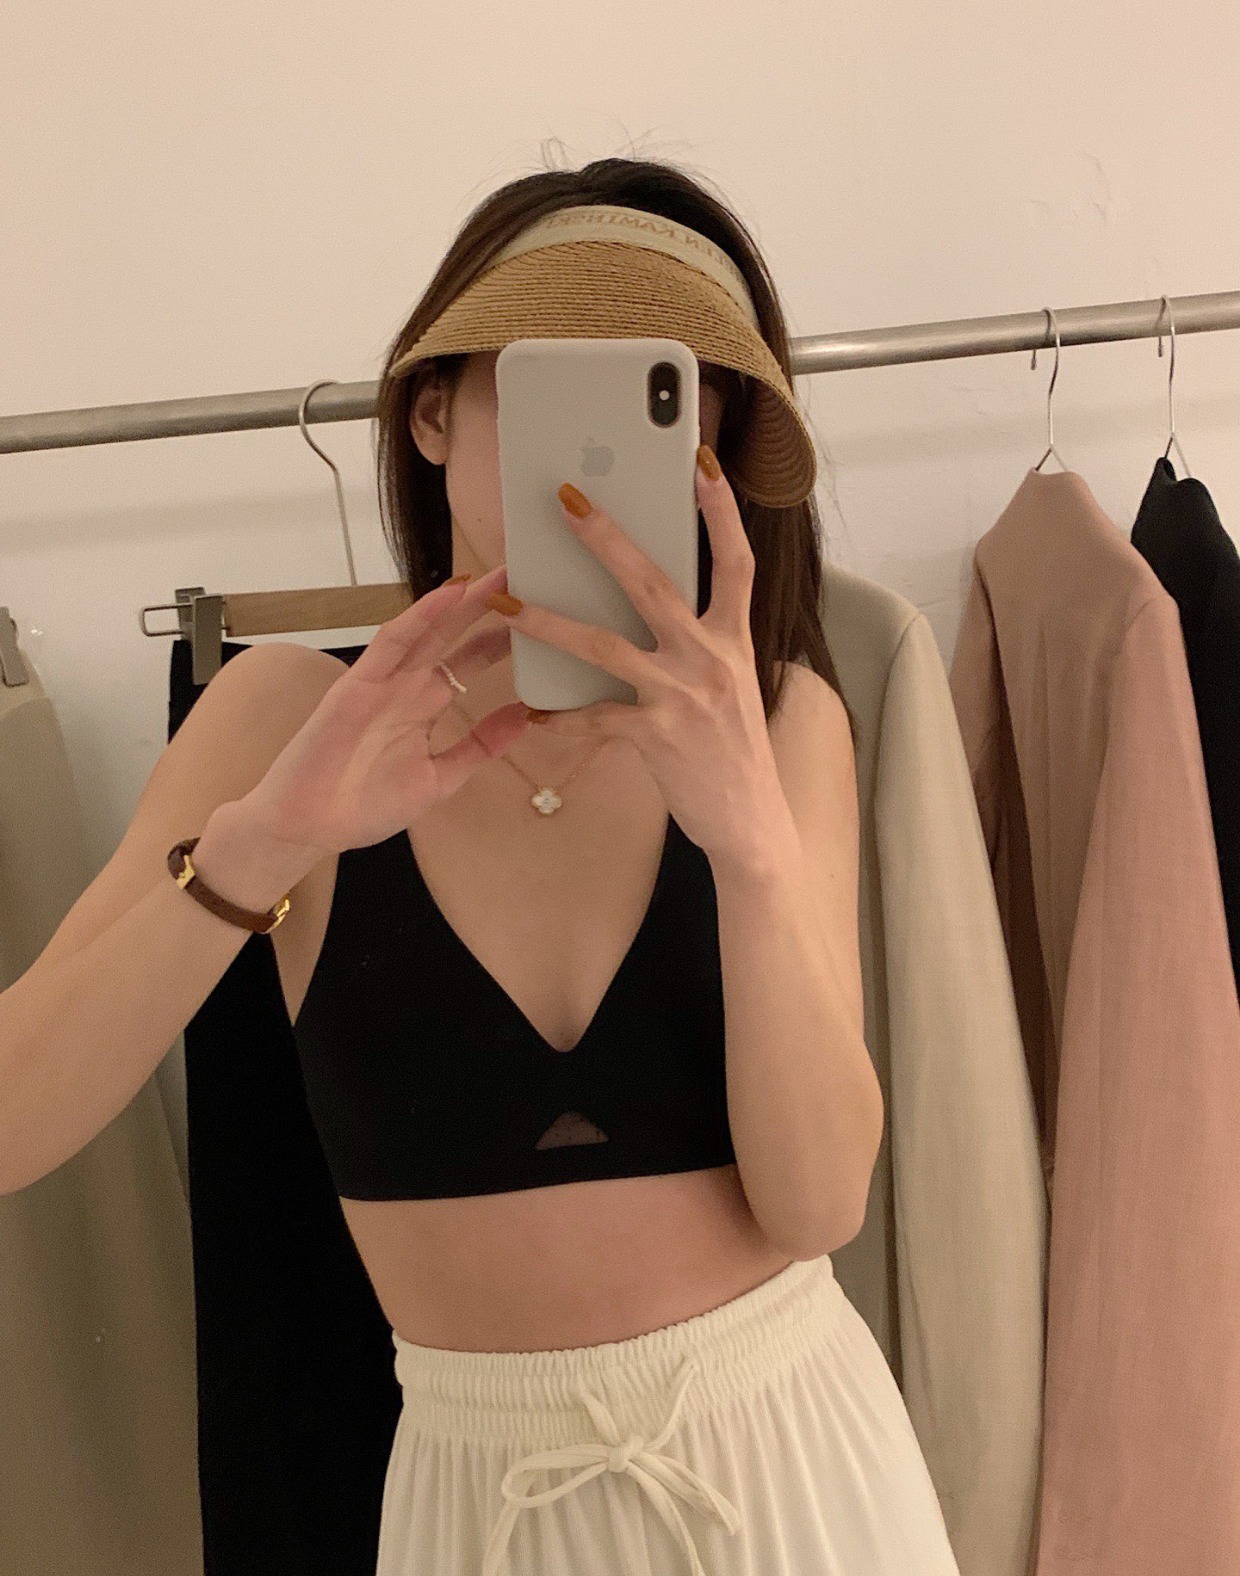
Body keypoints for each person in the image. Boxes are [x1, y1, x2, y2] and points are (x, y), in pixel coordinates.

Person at [0, 158, 962, 1575]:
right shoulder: (280, 718)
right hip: (482, 1508)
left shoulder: (782, 719)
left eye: (663, 395)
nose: (592, 462)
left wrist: (751, 850)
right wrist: (267, 845)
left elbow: (820, 1207)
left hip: (795, 1474)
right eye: (549, 381)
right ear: (432, 411)